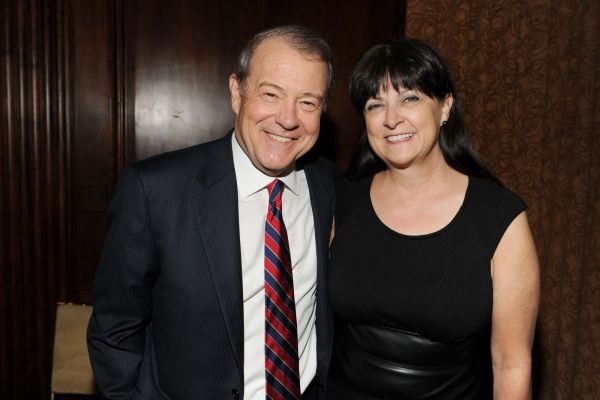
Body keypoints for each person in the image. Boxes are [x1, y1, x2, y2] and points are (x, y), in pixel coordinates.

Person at [87, 25, 336, 400]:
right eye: (270, 94)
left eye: (308, 102)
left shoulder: (326, 186)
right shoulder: (155, 190)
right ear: (237, 92)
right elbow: (114, 330)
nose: (288, 119)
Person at [327, 39, 540, 399]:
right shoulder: (341, 200)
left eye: (410, 98)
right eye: (376, 104)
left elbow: (511, 365)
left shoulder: (498, 218)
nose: (392, 118)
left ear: (445, 108)